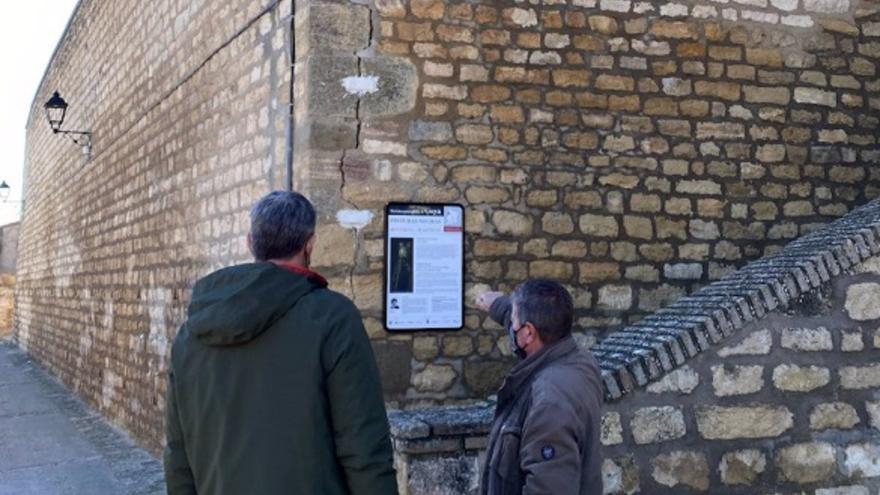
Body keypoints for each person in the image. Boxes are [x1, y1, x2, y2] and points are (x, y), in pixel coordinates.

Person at [164, 191, 398, 495]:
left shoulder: (190, 334)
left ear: (250, 242)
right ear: (310, 243)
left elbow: (177, 454)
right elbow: (363, 445)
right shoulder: (333, 318)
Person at [476, 280, 603, 495]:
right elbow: (523, 323)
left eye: (515, 322)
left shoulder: (550, 400)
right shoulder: (579, 360)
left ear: (528, 333)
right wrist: (497, 304)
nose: (512, 328)